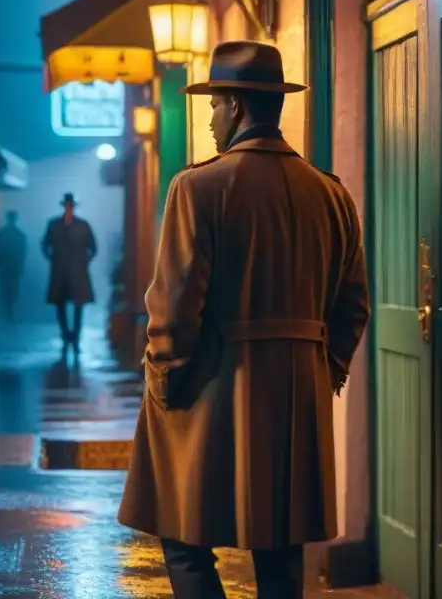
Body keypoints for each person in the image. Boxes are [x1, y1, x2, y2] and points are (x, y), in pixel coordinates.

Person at [117, 41, 371, 599]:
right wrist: (321, 370)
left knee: (183, 534)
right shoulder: (331, 194)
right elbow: (354, 304)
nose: (209, 120)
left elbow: (176, 304)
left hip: (213, 388)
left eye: (213, 105)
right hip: (298, 395)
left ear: (234, 105)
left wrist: (163, 377)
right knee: (281, 548)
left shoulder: (198, 186)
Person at [41, 193, 97, 355]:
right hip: (60, 270)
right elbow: (45, 245)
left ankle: (76, 338)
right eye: (67, 205)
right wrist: (52, 258)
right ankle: (66, 336)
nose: (68, 208)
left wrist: (84, 260)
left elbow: (93, 247)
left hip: (77, 272)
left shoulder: (82, 225)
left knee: (78, 306)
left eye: (70, 205)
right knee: (60, 305)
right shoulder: (54, 225)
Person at [0, 210, 27, 323]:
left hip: (5, 266)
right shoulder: (19, 234)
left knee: (5, 289)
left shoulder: (1, 233)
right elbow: (22, 252)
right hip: (14, 266)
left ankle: (8, 312)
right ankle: (10, 312)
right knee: (13, 289)